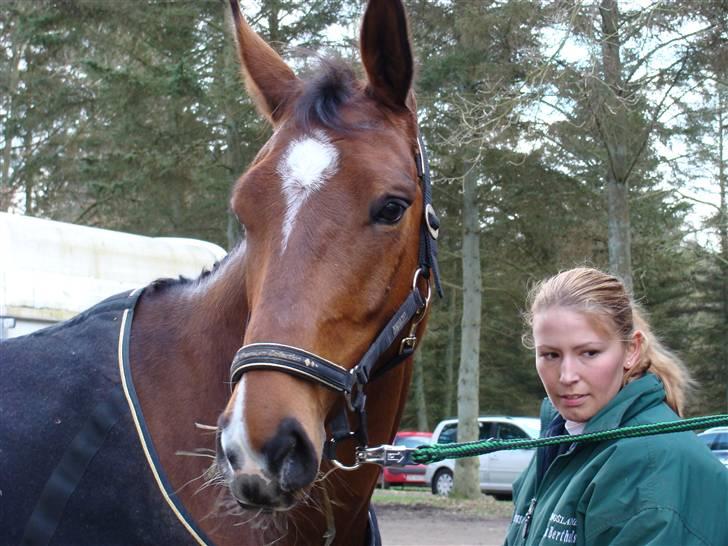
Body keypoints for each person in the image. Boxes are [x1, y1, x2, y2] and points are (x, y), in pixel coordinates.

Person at [504, 267, 728, 546]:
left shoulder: (651, 465)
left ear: (631, 350)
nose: (566, 376)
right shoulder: (561, 438)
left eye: (589, 353)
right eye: (550, 355)